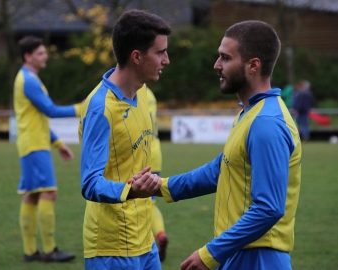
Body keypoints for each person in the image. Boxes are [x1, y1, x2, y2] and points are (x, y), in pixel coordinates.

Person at [130, 20, 302, 270]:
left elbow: (269, 208)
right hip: (239, 251)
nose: (217, 65)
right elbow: (221, 170)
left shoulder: (266, 123)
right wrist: (161, 187)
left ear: (253, 65)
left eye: (225, 58)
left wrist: (211, 253)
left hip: (259, 258)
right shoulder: (251, 113)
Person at [78, 9, 171, 270]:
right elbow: (90, 183)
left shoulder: (142, 94)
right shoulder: (101, 108)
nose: (167, 60)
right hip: (111, 247)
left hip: (145, 240)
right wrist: (130, 190)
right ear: (137, 57)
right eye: (160, 52)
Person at [14, 36, 82, 262]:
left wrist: (59, 143)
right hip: (34, 146)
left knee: (33, 196)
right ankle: (50, 250)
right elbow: (51, 111)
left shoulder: (28, 79)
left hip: (32, 143)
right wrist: (82, 108)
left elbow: (39, 118)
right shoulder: (29, 81)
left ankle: (30, 251)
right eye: (41, 53)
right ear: (28, 56)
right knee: (48, 192)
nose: (45, 56)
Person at [147, 87, 169, 262]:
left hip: (140, 152)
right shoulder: (150, 94)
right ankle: (159, 234)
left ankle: (145, 244)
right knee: (150, 202)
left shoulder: (132, 93)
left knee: (142, 204)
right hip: (155, 152)